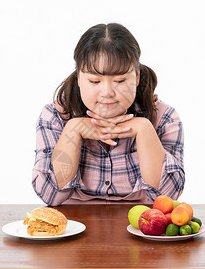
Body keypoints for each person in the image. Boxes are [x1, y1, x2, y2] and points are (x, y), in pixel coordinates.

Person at [32, 23, 184, 206]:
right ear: (79, 77)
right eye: (94, 81)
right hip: (74, 227)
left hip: (140, 227)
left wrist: (145, 130)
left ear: (136, 77)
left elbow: (167, 198)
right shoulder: (55, 117)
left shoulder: (165, 118)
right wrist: (72, 130)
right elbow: (50, 196)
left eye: (120, 80)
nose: (107, 92)